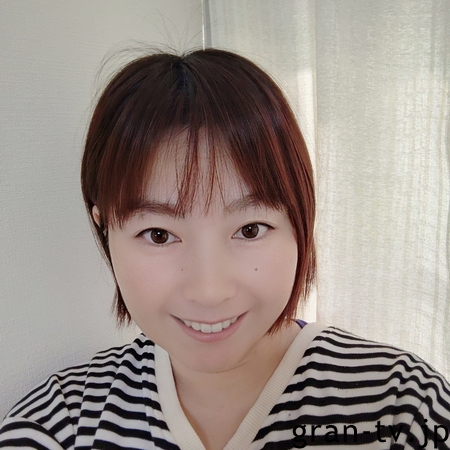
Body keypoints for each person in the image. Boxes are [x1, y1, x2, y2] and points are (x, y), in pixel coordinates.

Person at [0, 48, 449, 450]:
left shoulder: (405, 411)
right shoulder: (61, 425)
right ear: (105, 231)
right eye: (159, 235)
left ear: (301, 222)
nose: (209, 291)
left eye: (250, 229)